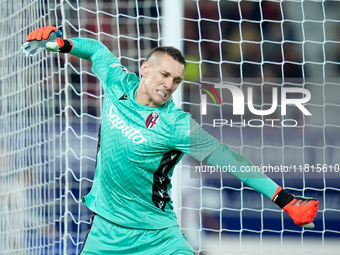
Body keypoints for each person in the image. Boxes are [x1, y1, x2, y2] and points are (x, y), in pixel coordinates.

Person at [25, 26, 319, 254]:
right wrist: (64, 44)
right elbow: (97, 50)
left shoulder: (177, 125)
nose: (169, 85)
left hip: (157, 236)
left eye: (176, 80)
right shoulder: (118, 83)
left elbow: (230, 160)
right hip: (106, 230)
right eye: (164, 74)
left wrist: (286, 200)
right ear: (144, 69)